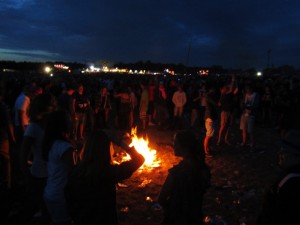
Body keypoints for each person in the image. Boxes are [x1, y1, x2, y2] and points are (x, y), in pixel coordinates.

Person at [64, 130, 145, 225]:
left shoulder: (75, 172)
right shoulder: (109, 173)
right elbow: (139, 159)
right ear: (106, 150)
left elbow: (68, 198)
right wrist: (120, 143)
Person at [157, 130, 211, 225]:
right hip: (195, 216)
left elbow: (161, 199)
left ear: (184, 147)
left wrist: (169, 208)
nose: (173, 145)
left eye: (175, 143)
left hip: (177, 217)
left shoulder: (177, 173)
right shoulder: (203, 169)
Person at [20, 93, 56, 222]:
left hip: (52, 172)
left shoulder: (50, 125)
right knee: (46, 208)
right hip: (40, 174)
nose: (53, 107)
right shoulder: (33, 128)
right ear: (44, 108)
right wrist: (27, 178)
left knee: (52, 208)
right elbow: (23, 156)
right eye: (51, 105)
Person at [257, 129, 300, 225]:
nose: (279, 153)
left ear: (297, 157)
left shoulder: (293, 185)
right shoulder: (290, 176)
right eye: (281, 149)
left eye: (285, 151)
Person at [42, 110, 76, 225]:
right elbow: (73, 172)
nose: (72, 121)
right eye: (69, 120)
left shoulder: (52, 143)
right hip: (61, 195)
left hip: (50, 190)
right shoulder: (65, 148)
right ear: (62, 125)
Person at [0, 82, 16, 189]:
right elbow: (8, 123)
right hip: (2, 136)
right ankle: (7, 182)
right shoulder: (2, 107)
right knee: (6, 159)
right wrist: (13, 138)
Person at [217, 76, 238, 146]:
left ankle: (226, 139)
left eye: (226, 88)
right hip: (225, 112)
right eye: (225, 88)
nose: (226, 88)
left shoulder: (229, 94)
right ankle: (219, 140)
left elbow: (236, 90)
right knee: (223, 126)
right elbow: (232, 89)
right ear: (222, 89)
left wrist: (235, 82)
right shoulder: (224, 95)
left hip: (230, 112)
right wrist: (233, 81)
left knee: (229, 126)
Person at [239, 84, 259, 148]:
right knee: (244, 129)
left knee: (250, 130)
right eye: (246, 89)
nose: (247, 90)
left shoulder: (255, 95)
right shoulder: (246, 95)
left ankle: (252, 143)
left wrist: (247, 107)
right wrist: (243, 106)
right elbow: (242, 105)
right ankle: (244, 141)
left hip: (251, 115)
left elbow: (255, 105)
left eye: (248, 89)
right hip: (244, 114)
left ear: (251, 89)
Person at [203, 85, 218, 157]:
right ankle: (205, 150)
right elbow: (215, 104)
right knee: (208, 135)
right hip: (209, 117)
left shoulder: (210, 95)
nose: (214, 91)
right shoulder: (208, 96)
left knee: (210, 135)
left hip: (211, 116)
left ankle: (207, 149)